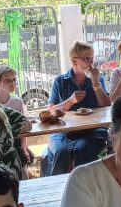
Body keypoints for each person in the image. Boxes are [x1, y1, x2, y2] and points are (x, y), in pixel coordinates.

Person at [45, 40, 111, 176]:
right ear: (74, 61)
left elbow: (106, 106)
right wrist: (70, 101)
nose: (91, 63)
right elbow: (50, 110)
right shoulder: (60, 81)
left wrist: (95, 82)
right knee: (61, 151)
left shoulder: (97, 79)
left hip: (93, 129)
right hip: (63, 129)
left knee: (83, 149)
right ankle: (59, 186)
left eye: (92, 59)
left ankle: (85, 185)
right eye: (86, 59)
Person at [0, 65, 33, 178]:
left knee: (22, 162)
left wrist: (24, 147)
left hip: (15, 143)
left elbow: (24, 127)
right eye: (7, 79)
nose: (12, 83)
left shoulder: (17, 102)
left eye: (14, 79)